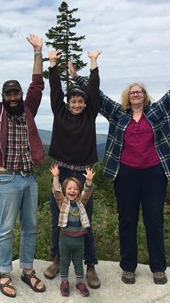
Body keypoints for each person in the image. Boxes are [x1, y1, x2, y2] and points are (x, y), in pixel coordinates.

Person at [75, 45, 170, 285]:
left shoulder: (159, 112)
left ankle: (158, 267)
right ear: (127, 97)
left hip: (154, 174)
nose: (136, 95)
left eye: (139, 92)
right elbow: (99, 96)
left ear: (145, 96)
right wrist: (78, 77)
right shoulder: (118, 114)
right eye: (132, 92)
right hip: (125, 174)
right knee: (127, 220)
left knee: (154, 219)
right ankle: (128, 267)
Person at [0, 30, 46, 298]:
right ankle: (5, 273)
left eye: (16, 93)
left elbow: (37, 84)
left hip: (29, 177)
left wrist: (38, 52)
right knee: (5, 229)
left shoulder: (29, 109)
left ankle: (27, 269)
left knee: (31, 227)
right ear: (4, 97)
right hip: (6, 178)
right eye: (9, 94)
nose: (14, 97)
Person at [44, 50, 102, 290]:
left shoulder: (90, 115)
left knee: (84, 220)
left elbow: (95, 92)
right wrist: (53, 65)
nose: (77, 104)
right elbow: (55, 92)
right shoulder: (60, 113)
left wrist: (93, 64)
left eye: (80, 101)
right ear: (68, 104)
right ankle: (57, 259)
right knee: (58, 219)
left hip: (82, 174)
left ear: (85, 103)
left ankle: (90, 266)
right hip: (61, 172)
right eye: (73, 101)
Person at [50, 164, 95, 297]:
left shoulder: (81, 202)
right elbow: (56, 190)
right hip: (64, 239)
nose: (72, 191)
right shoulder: (62, 202)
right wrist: (56, 176)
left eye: (75, 188)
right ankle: (64, 281)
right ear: (65, 190)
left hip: (79, 239)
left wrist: (89, 181)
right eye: (69, 188)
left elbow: (87, 192)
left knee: (78, 261)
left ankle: (80, 282)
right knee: (64, 261)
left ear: (78, 191)